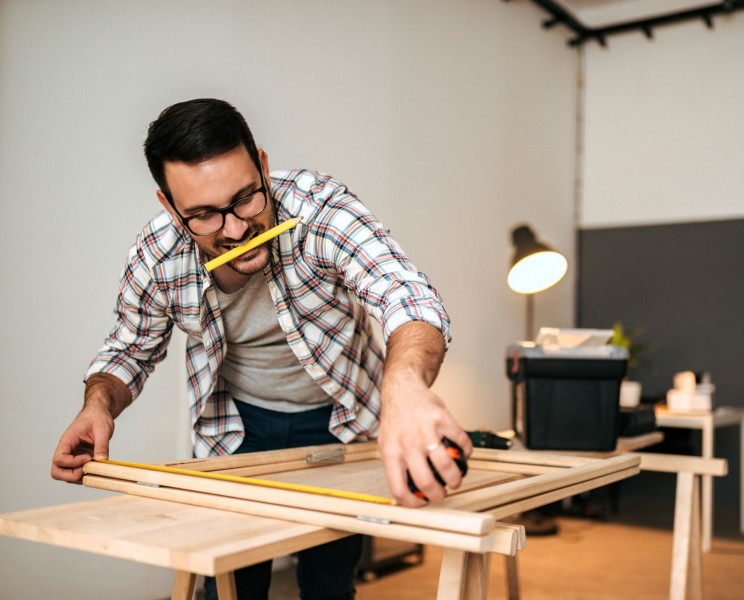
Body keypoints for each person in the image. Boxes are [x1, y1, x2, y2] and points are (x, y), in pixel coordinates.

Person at [50, 98, 472, 600]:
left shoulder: (319, 209)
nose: (234, 229)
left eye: (247, 198)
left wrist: (404, 389)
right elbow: (130, 349)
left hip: (338, 425)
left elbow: (405, 294)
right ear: (168, 206)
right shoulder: (157, 255)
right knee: (229, 585)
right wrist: (97, 405)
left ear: (264, 166)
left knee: (329, 584)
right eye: (204, 215)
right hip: (237, 429)